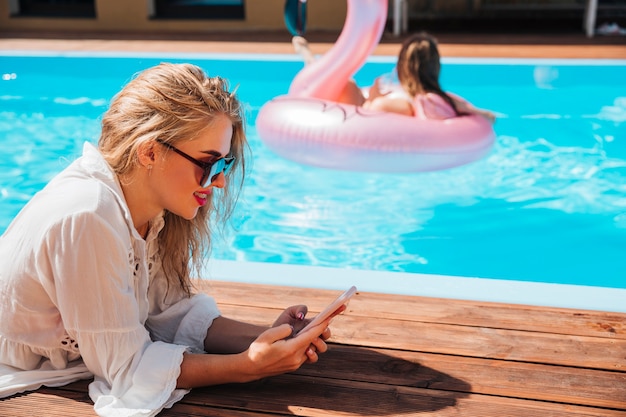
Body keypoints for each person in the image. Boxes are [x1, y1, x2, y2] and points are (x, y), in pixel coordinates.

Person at [0, 63, 337, 417]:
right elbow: (126, 367)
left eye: (224, 165)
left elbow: (165, 312)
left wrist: (269, 336)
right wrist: (247, 367)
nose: (218, 182)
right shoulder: (89, 215)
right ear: (149, 153)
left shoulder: (144, 208)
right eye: (208, 163)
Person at [293, 32, 496, 123]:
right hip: (386, 105)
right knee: (346, 84)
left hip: (365, 114)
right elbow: (488, 117)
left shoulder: (407, 105)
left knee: (345, 83)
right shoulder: (447, 100)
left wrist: (373, 99)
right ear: (435, 67)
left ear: (403, 68)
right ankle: (308, 57)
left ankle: (308, 57)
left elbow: (365, 117)